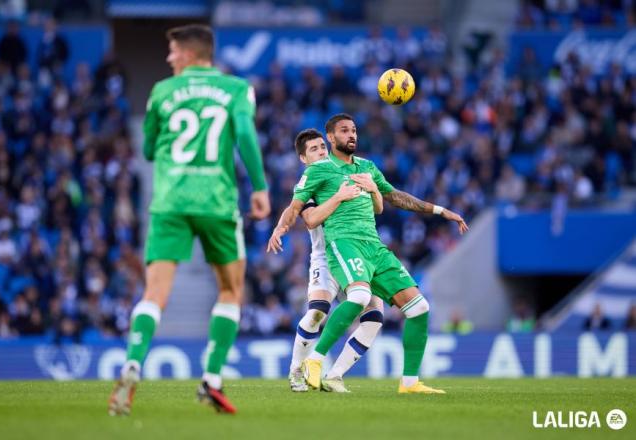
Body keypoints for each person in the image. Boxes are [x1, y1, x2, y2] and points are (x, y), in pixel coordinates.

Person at [108, 24, 270, 416]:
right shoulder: (236, 89)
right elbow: (246, 133)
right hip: (216, 201)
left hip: (169, 203)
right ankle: (212, 378)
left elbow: (147, 149)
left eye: (173, 51)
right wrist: (259, 187)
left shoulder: (162, 91)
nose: (168, 58)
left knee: (154, 294)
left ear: (192, 54)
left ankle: (132, 363)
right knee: (231, 290)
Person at [268, 113, 468, 394]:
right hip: (335, 249)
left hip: (371, 247)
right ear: (330, 138)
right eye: (344, 131)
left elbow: (392, 199)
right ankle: (305, 365)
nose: (351, 135)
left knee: (407, 310)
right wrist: (280, 228)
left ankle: (378, 380)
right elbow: (303, 214)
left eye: (354, 130)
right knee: (325, 309)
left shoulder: (367, 168)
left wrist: (439, 211)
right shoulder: (316, 173)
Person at [271, 129, 385, 393]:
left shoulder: (349, 173)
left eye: (323, 146)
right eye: (314, 149)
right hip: (325, 257)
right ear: (303, 158)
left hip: (357, 253)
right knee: (317, 312)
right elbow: (303, 214)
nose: (322, 151)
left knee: (375, 317)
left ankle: (334, 375)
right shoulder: (310, 182)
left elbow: (375, 208)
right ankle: (296, 370)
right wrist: (280, 228)